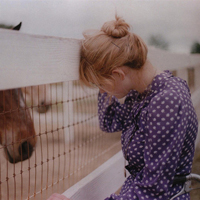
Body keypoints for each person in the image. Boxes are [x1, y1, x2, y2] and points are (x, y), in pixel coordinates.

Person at [48, 15, 198, 200]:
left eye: (100, 84)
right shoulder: (141, 93)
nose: (102, 90)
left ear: (118, 74)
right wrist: (101, 69)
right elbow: (109, 121)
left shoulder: (167, 101)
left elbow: (152, 191)